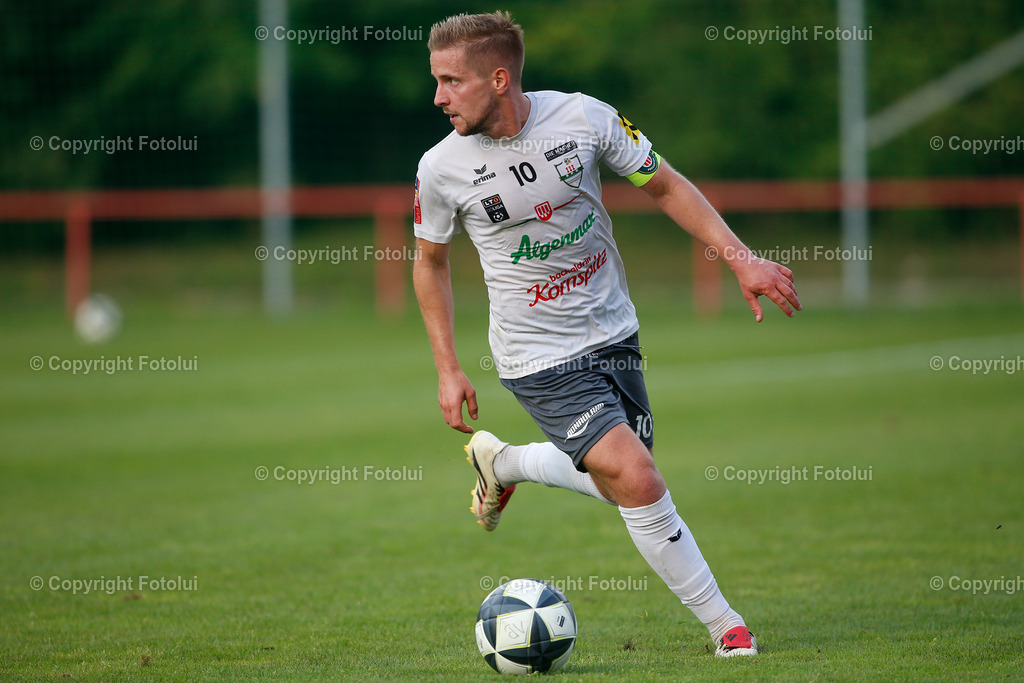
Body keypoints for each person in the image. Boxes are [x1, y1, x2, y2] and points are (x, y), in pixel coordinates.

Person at [412, 11, 800, 657]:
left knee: (621, 479)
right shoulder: (441, 167)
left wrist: (741, 258)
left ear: (499, 78)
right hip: (534, 354)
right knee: (638, 476)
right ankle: (726, 626)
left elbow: (666, 184)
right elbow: (428, 264)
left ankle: (504, 461)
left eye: (452, 81)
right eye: (437, 80)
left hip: (614, 330)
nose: (438, 96)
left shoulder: (585, 119)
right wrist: (447, 367)